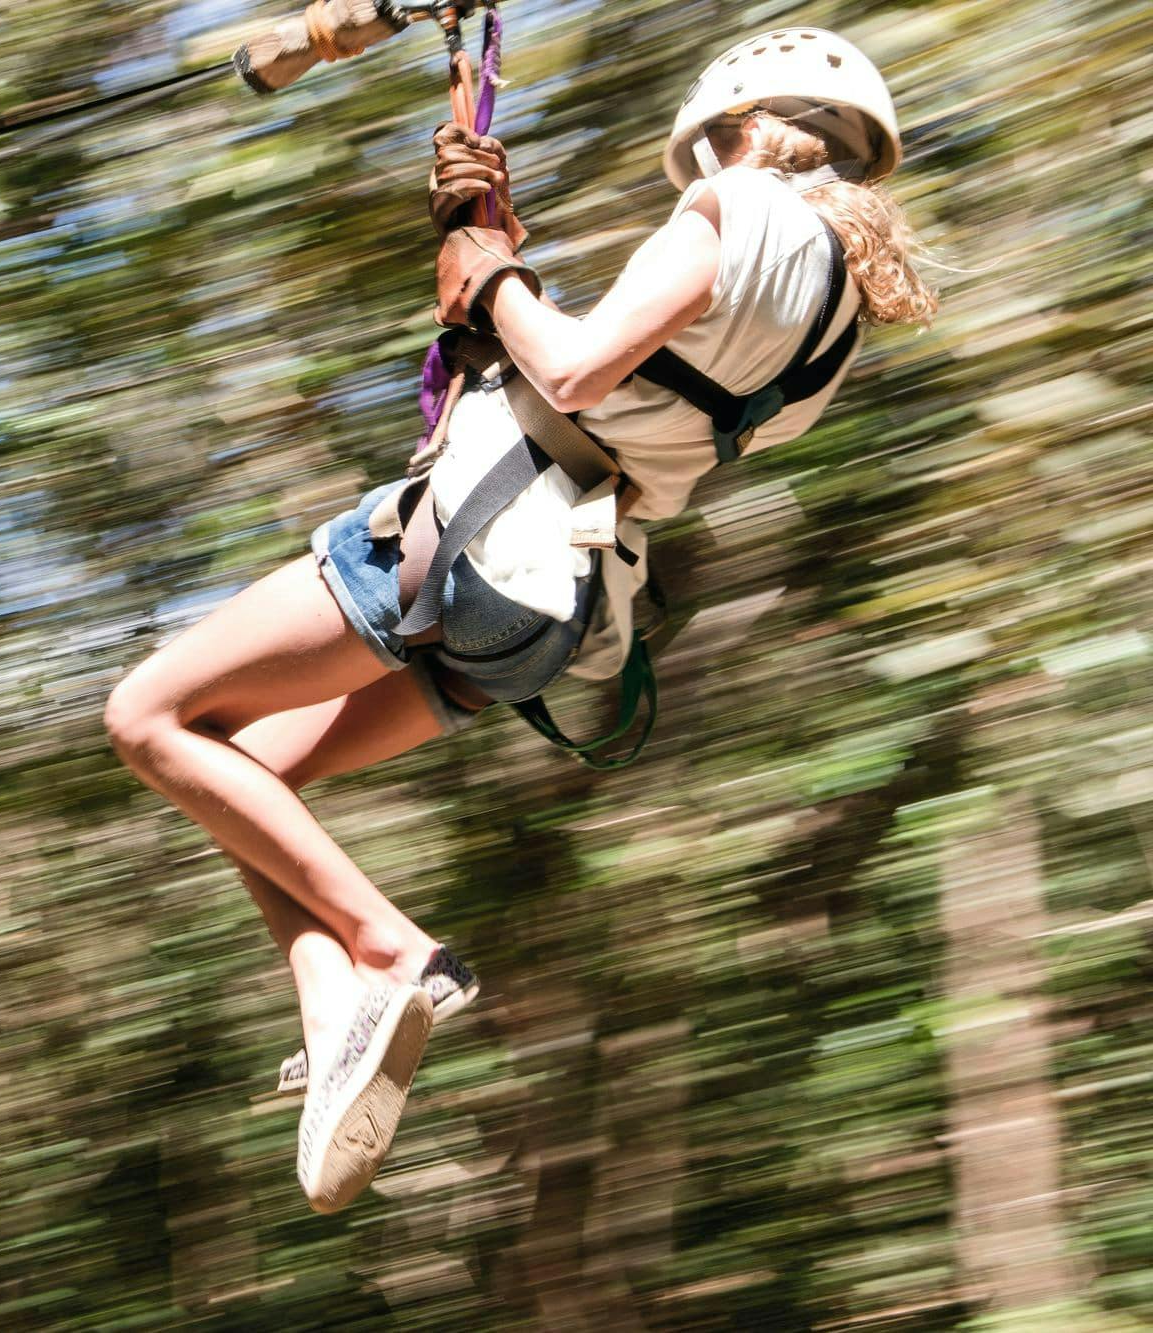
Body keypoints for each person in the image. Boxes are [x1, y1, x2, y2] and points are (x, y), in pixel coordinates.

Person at [105, 27, 936, 1213]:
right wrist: (494, 271)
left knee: (147, 716)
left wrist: (494, 277)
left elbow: (581, 372)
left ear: (735, 124)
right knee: (235, 784)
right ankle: (333, 1003)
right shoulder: (831, 322)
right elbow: (645, 399)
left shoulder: (727, 207)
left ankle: (393, 954)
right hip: (553, 611)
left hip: (473, 540)